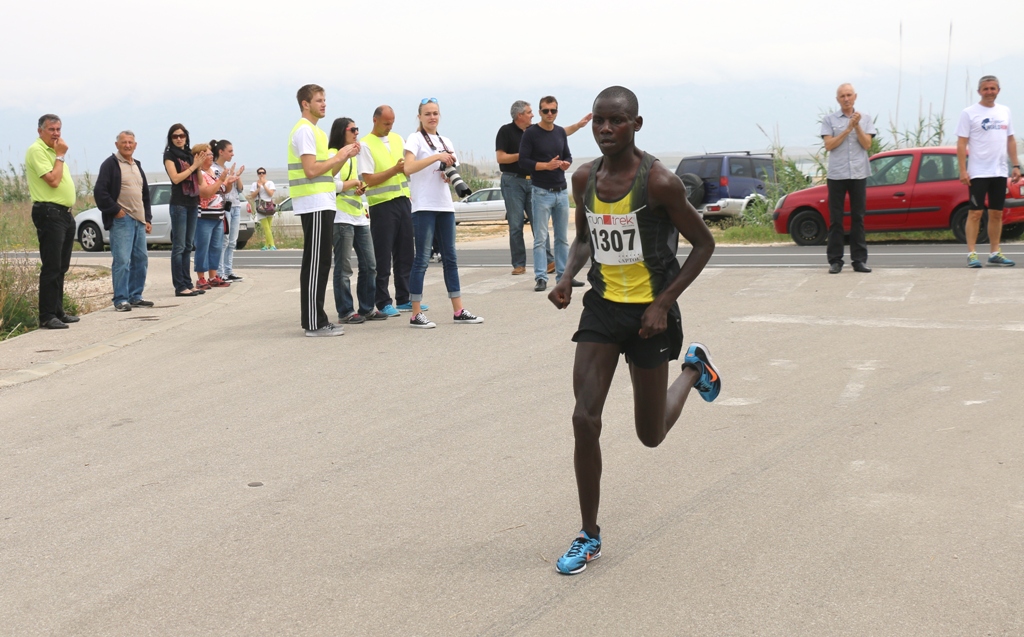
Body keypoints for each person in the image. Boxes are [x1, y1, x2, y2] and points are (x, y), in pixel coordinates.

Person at [547, 86, 720, 575]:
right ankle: (589, 534)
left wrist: (663, 303)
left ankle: (694, 370)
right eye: (599, 120)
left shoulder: (660, 183)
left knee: (651, 435)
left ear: (636, 125)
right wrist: (567, 277)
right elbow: (585, 238)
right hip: (602, 310)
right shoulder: (584, 178)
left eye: (616, 121)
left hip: (650, 317)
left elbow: (704, 244)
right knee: (584, 419)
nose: (606, 129)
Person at [402, 98, 484, 328]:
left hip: (445, 205)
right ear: (419, 117)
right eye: (427, 113)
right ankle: (415, 313)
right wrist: (436, 157)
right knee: (421, 260)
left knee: (450, 258)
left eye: (435, 113)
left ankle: (459, 310)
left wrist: (447, 174)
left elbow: (447, 171)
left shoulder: (445, 141)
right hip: (424, 206)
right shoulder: (415, 139)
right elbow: (408, 168)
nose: (432, 117)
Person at [288, 84, 360, 337]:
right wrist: (339, 155)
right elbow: (311, 170)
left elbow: (326, 170)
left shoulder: (315, 131)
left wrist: (344, 156)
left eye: (324, 100)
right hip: (314, 203)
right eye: (319, 100)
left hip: (323, 201)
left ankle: (317, 319)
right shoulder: (305, 130)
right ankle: (313, 323)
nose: (324, 104)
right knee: (316, 263)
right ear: (305, 104)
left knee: (322, 262)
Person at [496, 100, 591, 275]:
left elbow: (560, 132)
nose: (532, 115)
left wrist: (578, 125)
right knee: (516, 224)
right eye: (529, 112)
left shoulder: (536, 131)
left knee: (538, 225)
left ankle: (549, 262)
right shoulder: (506, 131)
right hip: (513, 181)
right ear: (519, 115)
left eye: (553, 110)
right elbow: (501, 158)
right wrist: (525, 152)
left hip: (533, 181)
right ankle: (519, 264)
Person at [519, 95, 585, 292]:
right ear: (540, 112)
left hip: (561, 192)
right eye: (546, 110)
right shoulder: (531, 133)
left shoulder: (560, 132)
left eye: (553, 110)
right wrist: (545, 166)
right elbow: (523, 161)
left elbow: (568, 155)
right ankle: (541, 277)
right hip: (541, 192)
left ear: (557, 112)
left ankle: (564, 277)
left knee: (562, 238)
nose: (549, 114)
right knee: (540, 238)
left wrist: (566, 164)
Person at [956, 74, 1022, 268]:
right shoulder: (969, 113)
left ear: (998, 90)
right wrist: (962, 170)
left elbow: (1010, 139)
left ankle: (995, 253)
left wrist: (1016, 165)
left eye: (993, 88)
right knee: (975, 213)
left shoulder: (1004, 111)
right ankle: (972, 254)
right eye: (985, 89)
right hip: (978, 172)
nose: (989, 92)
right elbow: (961, 143)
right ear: (979, 91)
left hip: (999, 171)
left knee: (996, 214)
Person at [327, 117, 388, 324]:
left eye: (357, 129)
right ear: (341, 132)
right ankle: (345, 311)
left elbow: (351, 185)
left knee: (370, 265)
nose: (356, 133)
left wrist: (359, 188)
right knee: (344, 268)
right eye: (352, 129)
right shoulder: (333, 155)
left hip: (358, 216)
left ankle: (367, 308)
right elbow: (331, 184)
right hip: (341, 217)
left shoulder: (353, 156)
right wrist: (353, 182)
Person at [359, 105, 415, 317]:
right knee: (382, 256)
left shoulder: (398, 139)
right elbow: (369, 179)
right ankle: (382, 301)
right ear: (374, 120)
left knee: (406, 253)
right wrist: (394, 170)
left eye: (392, 123)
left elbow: (408, 168)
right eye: (385, 123)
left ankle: (404, 298)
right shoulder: (365, 144)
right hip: (382, 205)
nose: (389, 127)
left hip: (403, 200)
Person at [26, 114, 80, 329]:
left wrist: (58, 155)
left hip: (64, 214)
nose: (56, 133)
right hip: (49, 212)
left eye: (58, 129)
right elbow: (53, 181)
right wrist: (60, 156)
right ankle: (47, 316)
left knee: (62, 266)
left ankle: (58, 311)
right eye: (51, 129)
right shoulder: (37, 150)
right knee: (52, 266)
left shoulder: (55, 151)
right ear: (40, 131)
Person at [93, 130, 153, 312]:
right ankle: (121, 299)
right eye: (124, 142)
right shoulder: (110, 164)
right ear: (117, 144)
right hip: (122, 221)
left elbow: (145, 195)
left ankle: (136, 296)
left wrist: (147, 218)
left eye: (130, 142)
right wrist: (116, 211)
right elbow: (100, 192)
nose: (127, 145)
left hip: (139, 221)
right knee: (122, 261)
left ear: (135, 145)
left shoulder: (137, 165)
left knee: (141, 260)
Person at [821, 83, 876, 274]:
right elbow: (829, 145)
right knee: (836, 219)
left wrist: (857, 125)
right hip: (837, 174)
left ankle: (859, 260)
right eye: (842, 96)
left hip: (858, 173)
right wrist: (846, 129)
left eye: (849, 95)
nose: (846, 99)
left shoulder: (865, 119)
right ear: (837, 99)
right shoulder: (829, 120)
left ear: (855, 96)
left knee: (858, 217)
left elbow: (867, 144)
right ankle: (835, 260)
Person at [163, 124, 205, 297]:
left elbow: (200, 181)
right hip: (179, 203)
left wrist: (199, 166)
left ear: (186, 137)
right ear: (170, 138)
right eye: (175, 136)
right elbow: (175, 178)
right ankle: (180, 286)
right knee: (179, 246)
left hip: (192, 202)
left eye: (182, 135)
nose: (179, 139)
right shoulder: (169, 155)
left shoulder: (189, 154)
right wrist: (194, 166)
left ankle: (188, 283)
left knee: (188, 245)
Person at [192, 142, 237, 289]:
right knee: (202, 247)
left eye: (211, 154)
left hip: (218, 216)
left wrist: (228, 182)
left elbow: (223, 189)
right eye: (208, 154)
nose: (211, 157)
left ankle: (213, 276)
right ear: (199, 156)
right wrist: (221, 180)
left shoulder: (214, 171)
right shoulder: (199, 173)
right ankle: (201, 278)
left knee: (216, 247)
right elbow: (206, 192)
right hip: (204, 216)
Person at [212, 139, 245, 282]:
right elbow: (220, 188)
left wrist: (236, 176)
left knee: (232, 241)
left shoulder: (227, 168)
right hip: (224, 207)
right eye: (230, 151)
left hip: (235, 205)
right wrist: (228, 177)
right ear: (221, 152)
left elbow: (240, 189)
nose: (232, 154)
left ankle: (228, 270)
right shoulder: (214, 169)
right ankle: (220, 273)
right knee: (224, 241)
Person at [250, 168, 277, 250]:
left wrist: (264, 185)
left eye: (263, 173)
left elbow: (271, 194)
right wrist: (258, 188)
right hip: (261, 207)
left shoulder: (270, 183)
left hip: (269, 207)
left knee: (269, 227)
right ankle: (272, 245)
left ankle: (267, 245)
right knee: (266, 227)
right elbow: (252, 196)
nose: (261, 174)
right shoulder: (254, 184)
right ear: (257, 174)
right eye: (259, 173)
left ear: (265, 174)